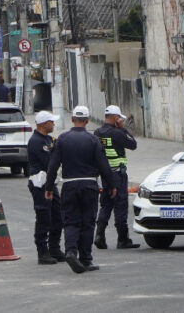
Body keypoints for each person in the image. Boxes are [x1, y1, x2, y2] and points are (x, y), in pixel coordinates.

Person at [45, 106, 116, 274]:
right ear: (87, 120)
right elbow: (103, 165)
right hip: (89, 185)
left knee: (70, 221)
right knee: (87, 223)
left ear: (72, 119)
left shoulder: (62, 139)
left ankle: (70, 252)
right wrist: (111, 185)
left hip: (69, 185)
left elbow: (53, 165)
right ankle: (86, 259)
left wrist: (49, 187)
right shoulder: (93, 140)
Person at [94, 105, 140, 250]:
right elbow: (133, 144)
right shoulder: (117, 133)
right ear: (115, 118)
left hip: (104, 175)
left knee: (106, 205)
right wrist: (122, 128)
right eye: (119, 118)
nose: (120, 120)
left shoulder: (97, 132)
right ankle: (123, 239)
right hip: (117, 175)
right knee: (120, 205)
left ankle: (99, 236)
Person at [27, 111, 64, 265]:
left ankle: (54, 248)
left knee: (58, 216)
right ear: (43, 124)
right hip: (40, 183)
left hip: (50, 182)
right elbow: (49, 161)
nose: (53, 124)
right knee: (44, 218)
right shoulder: (36, 141)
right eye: (51, 121)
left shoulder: (49, 139)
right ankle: (42, 252)